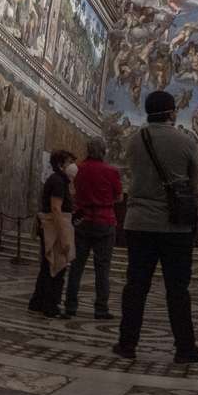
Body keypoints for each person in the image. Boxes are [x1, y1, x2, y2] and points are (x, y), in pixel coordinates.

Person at [114, 91, 198, 363]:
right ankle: (185, 348)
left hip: (138, 223)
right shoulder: (185, 140)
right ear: (172, 112)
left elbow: (131, 173)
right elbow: (193, 184)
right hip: (175, 227)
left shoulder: (134, 140)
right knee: (178, 289)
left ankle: (126, 344)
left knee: (135, 286)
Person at [63, 137, 121, 320]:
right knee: (102, 268)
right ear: (104, 150)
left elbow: (73, 192)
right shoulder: (111, 171)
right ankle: (101, 309)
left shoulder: (77, 168)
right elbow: (119, 198)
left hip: (82, 220)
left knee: (76, 266)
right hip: (104, 221)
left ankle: (70, 306)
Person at [28, 150, 76, 318]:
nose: (73, 165)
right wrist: (64, 236)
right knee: (56, 266)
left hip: (52, 225)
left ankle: (37, 303)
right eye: (70, 161)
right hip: (55, 226)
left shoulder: (59, 180)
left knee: (48, 265)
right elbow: (56, 208)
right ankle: (50, 306)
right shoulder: (58, 181)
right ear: (61, 164)